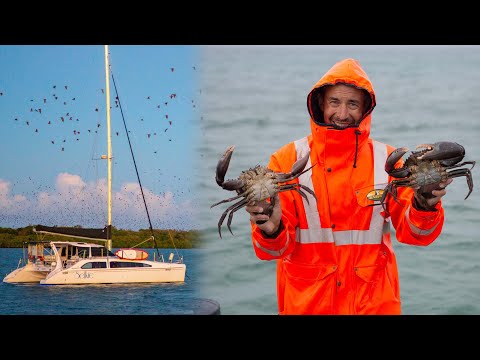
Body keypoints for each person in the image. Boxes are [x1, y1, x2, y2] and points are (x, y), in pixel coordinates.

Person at [245, 58, 452, 315]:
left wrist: (424, 204)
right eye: (334, 102)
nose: (342, 114)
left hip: (373, 305)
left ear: (366, 108)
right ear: (320, 103)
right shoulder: (286, 160)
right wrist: (270, 227)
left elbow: (417, 236)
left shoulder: (388, 161)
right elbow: (272, 250)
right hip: (308, 305)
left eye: (352, 104)